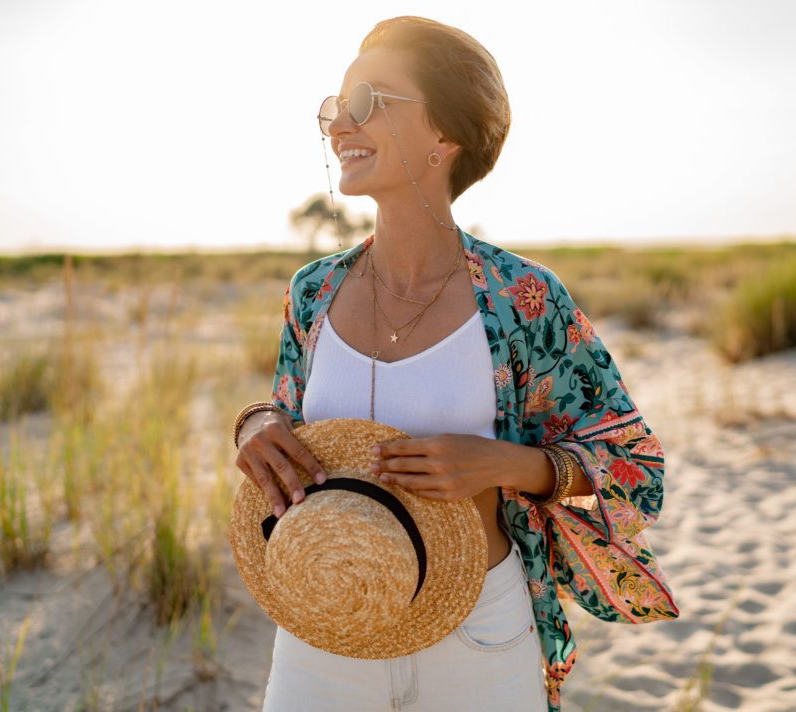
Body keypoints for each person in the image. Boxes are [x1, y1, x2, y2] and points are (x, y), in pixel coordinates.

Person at [233, 16, 678, 712]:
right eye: (334, 106)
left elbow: (636, 466)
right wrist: (253, 427)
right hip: (322, 629)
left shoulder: (523, 300)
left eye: (368, 103)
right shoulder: (312, 292)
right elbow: (284, 417)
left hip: (479, 635)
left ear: (445, 136)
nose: (338, 124)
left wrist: (507, 464)